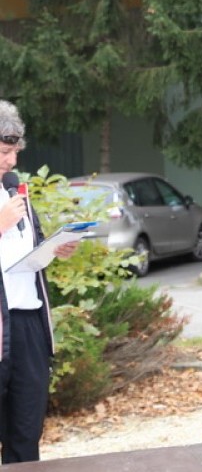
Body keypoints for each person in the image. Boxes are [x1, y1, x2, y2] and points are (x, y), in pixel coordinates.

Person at [0, 100, 79, 464]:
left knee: (26, 430)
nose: (11, 162)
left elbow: (33, 247)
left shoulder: (17, 194)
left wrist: (55, 248)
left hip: (29, 324)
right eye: (4, 152)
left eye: (14, 152)